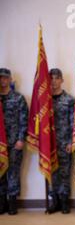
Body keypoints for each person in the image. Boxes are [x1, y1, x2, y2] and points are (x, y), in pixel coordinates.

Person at [0, 68, 28, 215]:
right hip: (0, 145)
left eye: (5, 78)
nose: (3, 81)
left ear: (10, 79)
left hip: (14, 142)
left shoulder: (18, 98)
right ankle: (1, 202)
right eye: (0, 78)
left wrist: (21, 139)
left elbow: (24, 119)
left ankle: (12, 202)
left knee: (13, 173)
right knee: (0, 172)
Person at [47, 68, 75, 214]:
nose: (54, 81)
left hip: (64, 143)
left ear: (62, 80)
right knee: (51, 172)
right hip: (49, 144)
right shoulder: (44, 100)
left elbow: (73, 123)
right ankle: (54, 201)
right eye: (51, 78)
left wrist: (71, 142)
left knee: (64, 173)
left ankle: (64, 201)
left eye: (57, 78)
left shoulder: (69, 100)